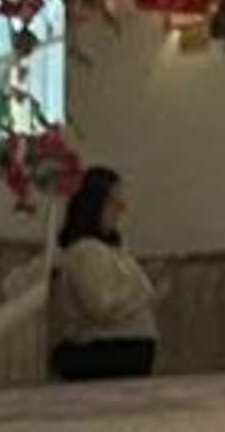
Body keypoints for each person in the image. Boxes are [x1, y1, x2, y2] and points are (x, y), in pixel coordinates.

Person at [44, 164, 159, 384]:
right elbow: (100, 305)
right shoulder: (85, 252)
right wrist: (144, 285)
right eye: (114, 202)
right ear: (94, 204)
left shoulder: (110, 251)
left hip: (126, 355)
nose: (121, 208)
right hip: (107, 355)